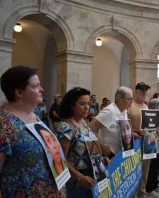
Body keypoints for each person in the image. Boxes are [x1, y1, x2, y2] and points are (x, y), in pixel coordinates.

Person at [0, 65, 65, 197]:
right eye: (35, 86)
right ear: (19, 92)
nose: (42, 89)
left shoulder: (35, 116)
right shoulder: (4, 124)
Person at [56, 87, 111, 197]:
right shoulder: (66, 127)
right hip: (76, 182)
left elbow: (88, 149)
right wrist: (79, 177)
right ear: (72, 105)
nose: (87, 107)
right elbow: (60, 159)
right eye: (82, 104)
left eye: (88, 103)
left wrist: (100, 159)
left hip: (93, 178)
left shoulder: (83, 122)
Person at [89, 87, 133, 159]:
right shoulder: (110, 111)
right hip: (108, 154)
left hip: (120, 152)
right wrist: (101, 146)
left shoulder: (124, 110)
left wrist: (131, 134)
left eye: (132, 98)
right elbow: (90, 128)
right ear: (119, 99)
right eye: (129, 99)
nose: (132, 101)